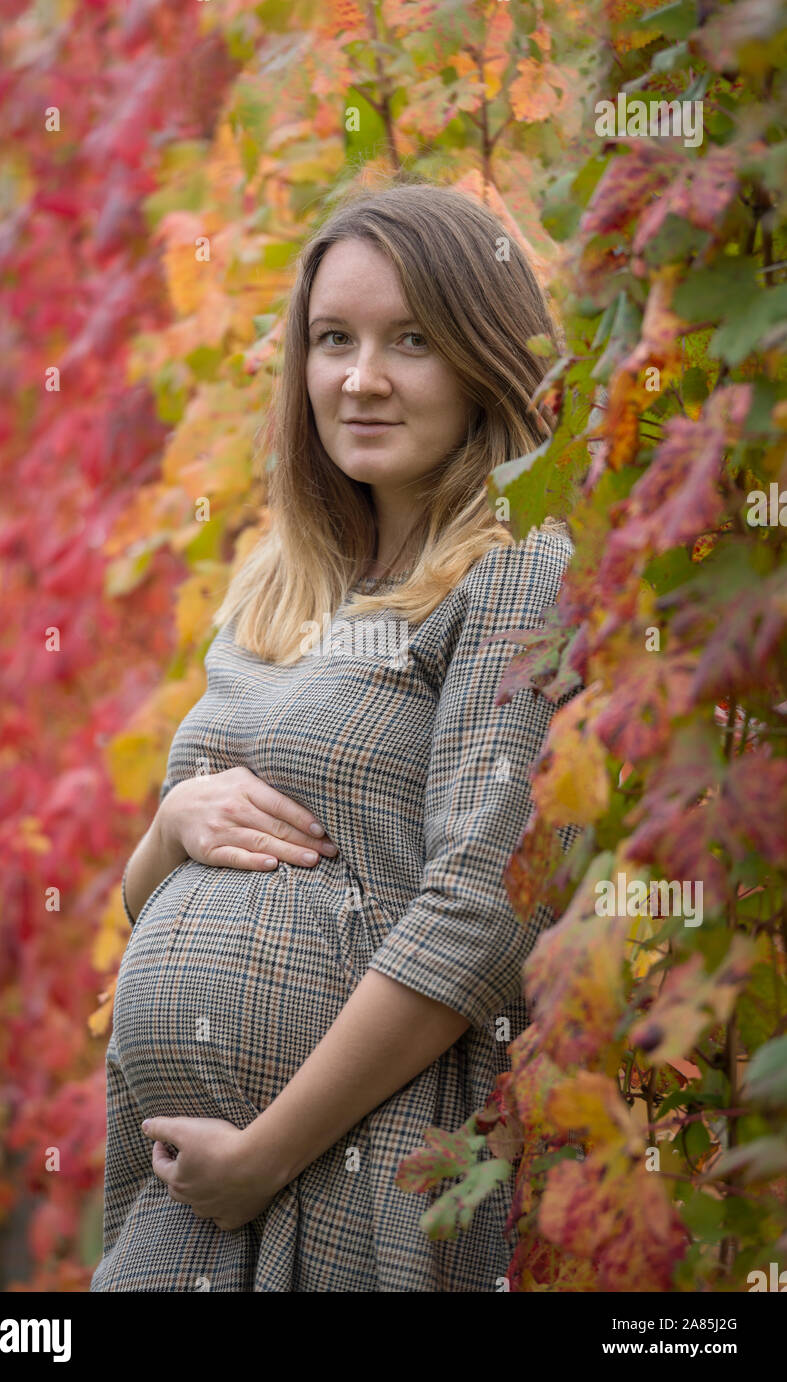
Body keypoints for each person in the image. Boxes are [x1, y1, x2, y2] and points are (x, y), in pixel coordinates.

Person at [91, 181, 579, 1293]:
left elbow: (482, 909)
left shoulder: (516, 569)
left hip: (357, 1180)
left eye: (410, 340)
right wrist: (171, 826)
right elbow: (146, 898)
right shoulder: (277, 583)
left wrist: (264, 1153)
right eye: (332, 340)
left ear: (481, 358)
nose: (360, 378)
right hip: (184, 1203)